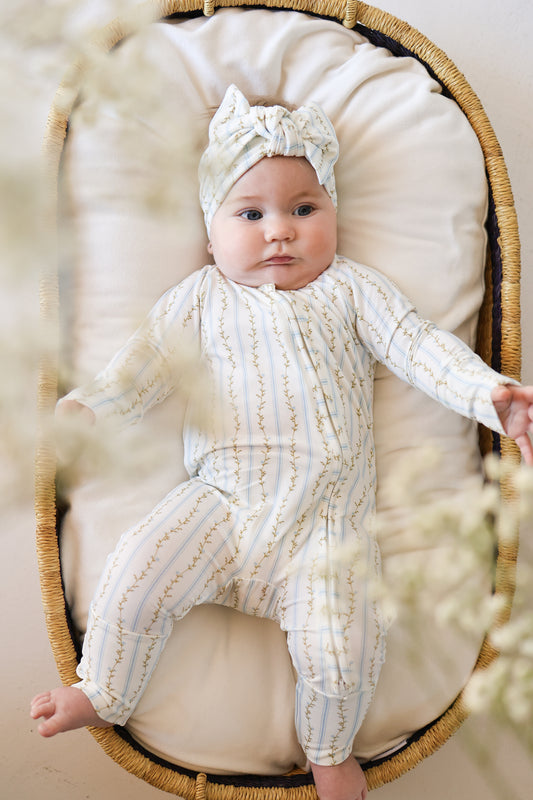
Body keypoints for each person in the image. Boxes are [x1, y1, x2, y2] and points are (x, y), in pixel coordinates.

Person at [31, 84, 533, 800]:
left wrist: (491, 397)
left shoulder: (353, 290)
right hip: (220, 504)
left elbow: (422, 349)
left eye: (304, 208)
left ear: (332, 212)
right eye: (251, 213)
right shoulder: (199, 299)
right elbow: (139, 370)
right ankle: (104, 690)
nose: (279, 231)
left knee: (344, 649)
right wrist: (88, 410)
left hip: (325, 531)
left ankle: (328, 750)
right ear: (210, 233)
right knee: (135, 576)